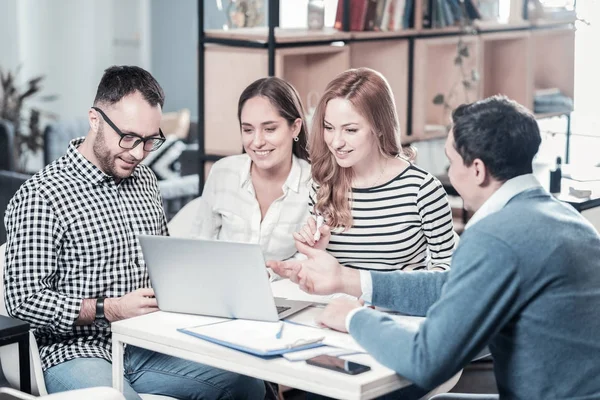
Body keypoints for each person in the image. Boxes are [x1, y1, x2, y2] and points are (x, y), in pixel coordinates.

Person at [269, 95, 600, 399]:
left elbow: (426, 359)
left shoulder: (496, 235)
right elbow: (451, 288)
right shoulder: (563, 217)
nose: (447, 173)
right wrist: (346, 279)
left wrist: (355, 318)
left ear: (477, 170)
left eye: (450, 161)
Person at [4, 66, 265, 400]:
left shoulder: (145, 182)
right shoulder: (42, 195)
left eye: (149, 140)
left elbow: (165, 265)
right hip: (74, 352)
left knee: (247, 384)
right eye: (128, 138)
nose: (139, 153)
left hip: (146, 344)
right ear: (95, 119)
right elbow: (23, 300)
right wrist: (109, 309)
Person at [294, 68, 455, 273]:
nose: (336, 142)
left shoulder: (422, 190)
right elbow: (323, 273)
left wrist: (384, 293)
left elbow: (449, 270)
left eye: (350, 130)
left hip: (393, 305)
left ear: (379, 127)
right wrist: (317, 252)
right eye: (329, 127)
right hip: (333, 303)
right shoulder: (323, 182)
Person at [186, 77, 311, 276]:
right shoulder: (223, 172)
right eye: (248, 130)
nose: (257, 141)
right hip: (223, 290)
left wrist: (271, 275)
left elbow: (310, 260)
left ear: (295, 127)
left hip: (286, 295)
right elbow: (199, 245)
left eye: (270, 129)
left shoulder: (314, 185)